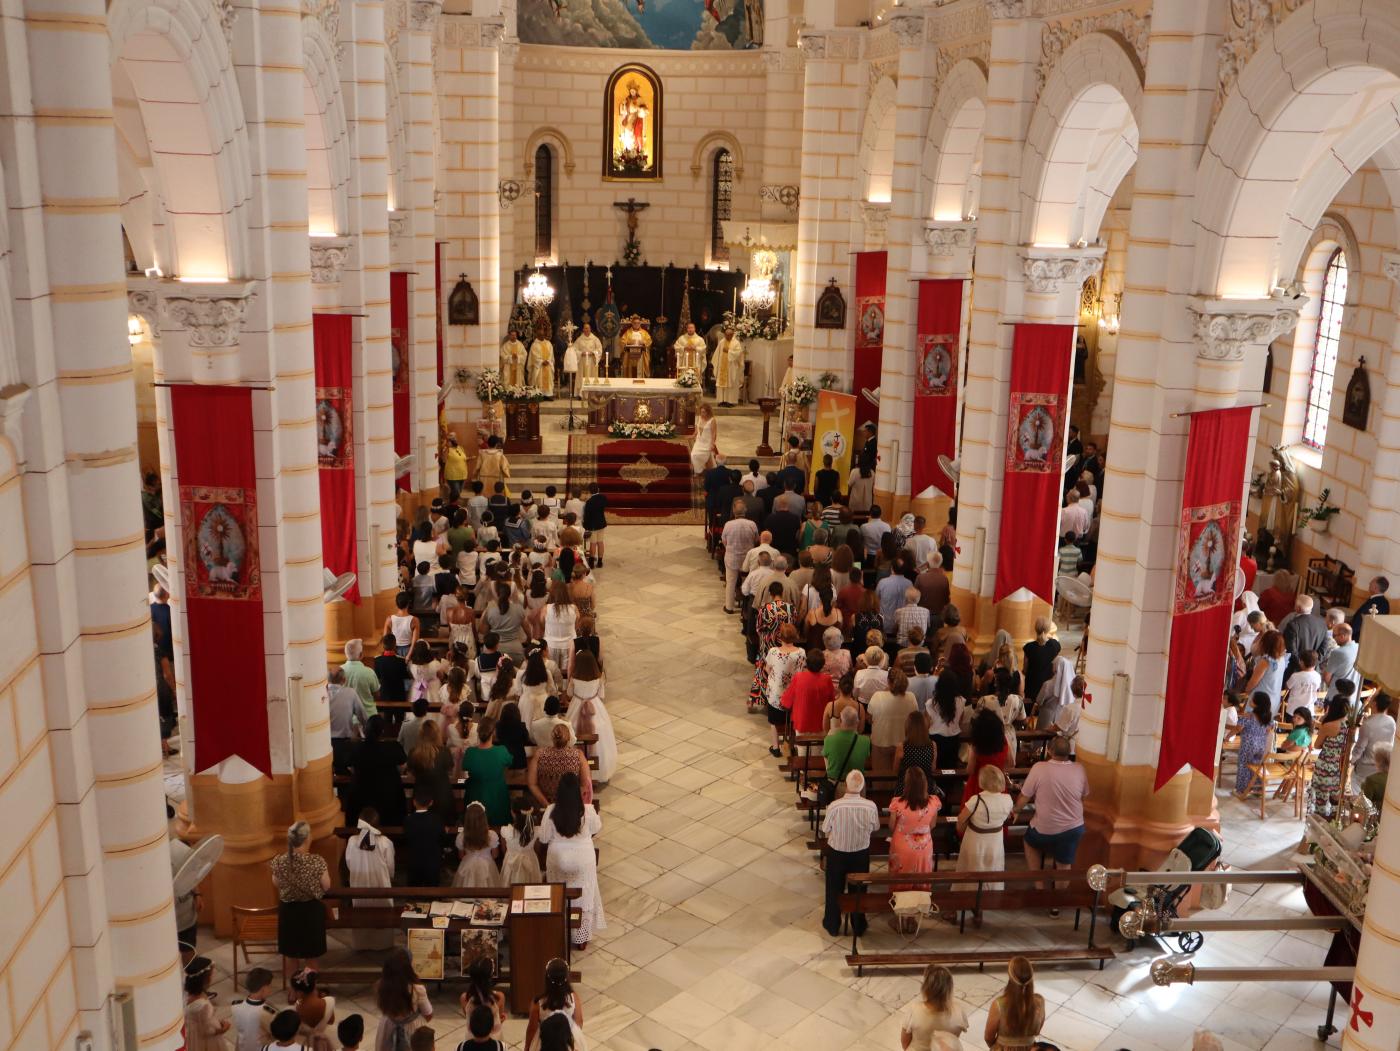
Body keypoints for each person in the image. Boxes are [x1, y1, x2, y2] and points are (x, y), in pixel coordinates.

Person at [1012, 737, 1088, 898]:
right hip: (1073, 828)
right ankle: (1057, 902)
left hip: (1045, 829)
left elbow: (1024, 796)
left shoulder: (1039, 768)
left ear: (1049, 751)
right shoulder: (1079, 768)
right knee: (1064, 864)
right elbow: (1083, 796)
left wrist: (1016, 810)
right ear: (1069, 752)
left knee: (1029, 842)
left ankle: (1040, 888)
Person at [538, 773, 605, 949]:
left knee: (560, 893)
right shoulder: (587, 810)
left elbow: (544, 838)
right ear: (578, 792)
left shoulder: (551, 810)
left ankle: (559, 928)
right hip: (583, 858)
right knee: (584, 895)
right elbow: (597, 828)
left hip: (559, 858)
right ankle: (581, 937)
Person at [821, 769, 881, 937]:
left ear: (846, 785)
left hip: (837, 853)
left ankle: (832, 924)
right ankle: (858, 925)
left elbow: (825, 828)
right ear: (862, 787)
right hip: (860, 854)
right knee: (859, 891)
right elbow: (876, 827)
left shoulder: (835, 806)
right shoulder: (870, 806)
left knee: (834, 889)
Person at [955, 765, 1013, 895]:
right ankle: (990, 895)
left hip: (976, 839)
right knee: (993, 866)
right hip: (995, 840)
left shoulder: (976, 800)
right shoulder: (1007, 799)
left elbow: (961, 819)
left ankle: (969, 896)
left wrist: (960, 830)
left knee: (972, 867)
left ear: (982, 781)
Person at [344, 808, 396, 946]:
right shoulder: (385, 842)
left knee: (362, 912)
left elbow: (349, 863)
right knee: (382, 912)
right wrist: (389, 877)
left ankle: (363, 944)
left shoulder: (352, 841)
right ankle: (382, 943)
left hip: (359, 884)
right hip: (380, 884)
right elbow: (390, 866)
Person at [888, 767, 939, 903]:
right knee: (921, 877)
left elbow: (892, 826)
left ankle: (902, 908)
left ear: (907, 784)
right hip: (924, 847)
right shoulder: (934, 802)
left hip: (902, 847)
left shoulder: (897, 803)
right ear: (924, 783)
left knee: (901, 878)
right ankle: (918, 908)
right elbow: (932, 825)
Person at [565, 651, 616, 782]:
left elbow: (569, 694)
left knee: (572, 731)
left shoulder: (574, 678)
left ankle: (575, 770)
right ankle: (596, 772)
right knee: (601, 736)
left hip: (577, 706)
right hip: (595, 707)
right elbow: (602, 695)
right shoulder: (598, 678)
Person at [374, 948, 433, 1051]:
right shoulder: (417, 990)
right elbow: (428, 1014)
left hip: (388, 1026)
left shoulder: (380, 986)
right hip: (412, 1029)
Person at [761, 623, 806, 756]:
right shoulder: (801, 652)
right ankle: (792, 745)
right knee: (792, 722)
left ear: (780, 637)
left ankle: (776, 747)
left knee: (774, 722)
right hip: (795, 694)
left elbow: (768, 669)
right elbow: (802, 669)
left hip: (777, 695)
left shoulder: (774, 652)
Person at [900, 964, 968, 1051]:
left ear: (926, 988)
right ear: (950, 988)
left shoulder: (914, 1010)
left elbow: (904, 1043)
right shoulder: (959, 1012)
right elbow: (953, 1041)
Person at [462, 714, 514, 826]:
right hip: (497, 799)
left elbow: (464, 768)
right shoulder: (502, 751)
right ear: (494, 732)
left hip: (475, 798)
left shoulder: (470, 752)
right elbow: (509, 762)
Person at [984, 956, 1045, 1051]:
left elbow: (988, 1037)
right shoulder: (1039, 1002)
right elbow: (1037, 1031)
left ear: (1010, 976)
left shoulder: (999, 1004)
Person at [523, 959, 585, 1051]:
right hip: (566, 1038)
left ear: (546, 979)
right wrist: (574, 1035)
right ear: (567, 978)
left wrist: (527, 1047)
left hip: (546, 1040)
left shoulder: (538, 1003)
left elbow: (532, 1028)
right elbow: (579, 1021)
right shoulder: (573, 998)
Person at [529, 722, 594, 807]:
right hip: (571, 806)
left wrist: (547, 805)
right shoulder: (578, 755)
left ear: (552, 738)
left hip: (546, 804)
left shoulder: (540, 754)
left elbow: (532, 784)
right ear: (569, 738)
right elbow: (585, 784)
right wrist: (570, 804)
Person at [1310, 690, 1352, 817]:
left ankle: (1320, 822)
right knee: (1336, 799)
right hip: (1340, 765)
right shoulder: (1350, 726)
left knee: (1321, 798)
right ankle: (1334, 821)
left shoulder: (1328, 725)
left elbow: (1317, 745)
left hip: (1325, 765)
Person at [868, 667, 918, 772]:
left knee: (880, 777)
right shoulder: (911, 697)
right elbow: (914, 720)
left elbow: (869, 719)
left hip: (881, 741)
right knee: (900, 777)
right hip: (904, 743)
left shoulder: (877, 696)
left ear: (888, 681)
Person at [409, 718, 455, 821]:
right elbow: (450, 770)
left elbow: (411, 773)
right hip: (442, 797)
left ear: (421, 735)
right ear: (437, 734)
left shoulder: (414, 752)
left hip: (421, 799)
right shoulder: (444, 752)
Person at [782, 648, 835, 735]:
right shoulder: (827, 679)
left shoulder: (798, 677)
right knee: (818, 748)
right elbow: (831, 702)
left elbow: (786, 701)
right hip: (820, 722)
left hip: (801, 722)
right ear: (822, 665)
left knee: (801, 748)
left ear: (807, 663)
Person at [963, 708, 1010, 806]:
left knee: (975, 812)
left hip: (979, 784)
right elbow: (1011, 762)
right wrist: (1001, 771)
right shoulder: (1003, 741)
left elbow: (970, 770)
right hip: (997, 782)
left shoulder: (977, 745)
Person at [184, 956, 230, 1051]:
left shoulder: (187, 994)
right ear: (206, 979)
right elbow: (207, 1030)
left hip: (192, 1033)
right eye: (211, 974)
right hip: (205, 1040)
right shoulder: (203, 1005)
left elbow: (199, 1018)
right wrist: (224, 1028)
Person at [1352, 694, 1396, 792]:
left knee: (1354, 777)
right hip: (1384, 766)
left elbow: (1359, 749)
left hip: (1366, 766)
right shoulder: (1392, 721)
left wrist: (1350, 761)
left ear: (1374, 703)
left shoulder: (1368, 725)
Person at [453, 801, 502, 887]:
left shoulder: (461, 836)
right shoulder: (491, 834)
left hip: (467, 866)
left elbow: (461, 856)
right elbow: (495, 855)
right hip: (487, 865)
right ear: (484, 818)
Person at [403, 787, 445, 886]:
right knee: (432, 888)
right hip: (432, 860)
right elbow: (442, 838)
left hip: (414, 859)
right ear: (431, 803)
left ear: (414, 802)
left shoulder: (408, 820)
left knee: (414, 888)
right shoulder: (436, 819)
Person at [1243, 629, 1289, 717]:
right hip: (1274, 699)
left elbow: (1253, 682)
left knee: (1253, 727)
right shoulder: (1282, 659)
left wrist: (1247, 690)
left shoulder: (1265, 661)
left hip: (1260, 699)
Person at [231, 967, 276, 1051]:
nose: (270, 990)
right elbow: (275, 1033)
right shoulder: (266, 1012)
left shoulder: (235, 1005)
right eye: (269, 986)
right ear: (263, 989)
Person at [291, 968, 337, 1051]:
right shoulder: (328, 1002)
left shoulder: (297, 1007)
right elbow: (331, 1021)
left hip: (304, 1043)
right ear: (314, 984)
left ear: (299, 992)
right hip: (323, 1039)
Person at [1021, 618, 1060, 705]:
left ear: (1035, 629)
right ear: (1048, 630)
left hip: (1031, 690)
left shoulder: (1029, 647)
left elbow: (1025, 670)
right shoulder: (1055, 645)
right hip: (1048, 692)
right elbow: (1055, 667)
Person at [342, 639, 382, 717]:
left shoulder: (339, 672)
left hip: (347, 718)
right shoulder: (369, 672)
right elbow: (377, 695)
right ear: (361, 655)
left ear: (346, 654)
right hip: (369, 717)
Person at [712, 324, 745, 405]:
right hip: (722, 367)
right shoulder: (721, 342)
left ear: (732, 334)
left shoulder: (736, 343)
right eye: (726, 334)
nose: (727, 336)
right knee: (721, 385)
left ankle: (730, 402)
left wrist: (729, 351)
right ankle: (721, 401)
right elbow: (716, 354)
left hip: (731, 367)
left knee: (731, 385)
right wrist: (716, 364)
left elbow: (738, 354)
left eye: (729, 335)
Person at [1352, 575, 1390, 641]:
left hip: (1359, 638)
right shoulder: (1385, 602)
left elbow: (1360, 621)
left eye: (1372, 582)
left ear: (1375, 588)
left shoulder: (1374, 603)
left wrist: (1350, 633)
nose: (1369, 583)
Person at [384, 591, 419, 656]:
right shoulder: (415, 620)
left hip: (394, 650)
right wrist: (408, 655)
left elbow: (385, 640)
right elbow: (414, 642)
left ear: (396, 604)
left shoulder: (389, 619)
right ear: (408, 603)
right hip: (408, 650)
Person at [690, 402, 718, 474]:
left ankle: (701, 469)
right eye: (701, 412)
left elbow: (714, 433)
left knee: (701, 456)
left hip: (707, 443)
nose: (702, 414)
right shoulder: (699, 418)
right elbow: (697, 431)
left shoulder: (712, 420)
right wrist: (692, 436)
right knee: (693, 455)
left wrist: (712, 444)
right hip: (699, 442)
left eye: (704, 412)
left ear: (708, 412)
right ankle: (698, 470)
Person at [1363, 742, 1392, 809]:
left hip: (1374, 817)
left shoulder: (1371, 780)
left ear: (1378, 760)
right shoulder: (1395, 779)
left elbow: (1364, 806)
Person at [443, 435, 468, 500]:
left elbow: (463, 458)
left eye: (454, 439)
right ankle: (455, 506)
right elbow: (444, 460)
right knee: (456, 493)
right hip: (453, 475)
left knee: (458, 492)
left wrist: (470, 458)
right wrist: (446, 448)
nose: (455, 441)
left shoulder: (460, 448)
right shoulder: (447, 450)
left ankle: (453, 504)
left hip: (462, 474)